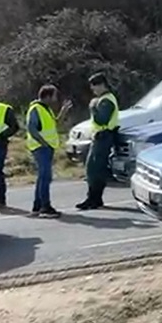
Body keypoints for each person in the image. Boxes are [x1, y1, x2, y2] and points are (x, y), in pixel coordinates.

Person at [26, 84, 73, 218]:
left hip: (47, 147)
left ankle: (38, 206)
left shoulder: (46, 109)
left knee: (43, 177)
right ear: (47, 96)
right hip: (41, 148)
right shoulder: (36, 109)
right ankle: (45, 207)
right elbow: (31, 128)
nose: (56, 98)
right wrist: (43, 143)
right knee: (45, 177)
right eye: (54, 95)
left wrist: (63, 111)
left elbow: (55, 124)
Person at [77, 73, 119, 210]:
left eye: (94, 86)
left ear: (102, 85)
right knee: (92, 168)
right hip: (100, 136)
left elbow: (102, 120)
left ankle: (94, 198)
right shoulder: (103, 99)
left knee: (95, 169)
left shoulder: (106, 101)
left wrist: (93, 107)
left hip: (104, 136)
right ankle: (93, 198)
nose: (93, 90)